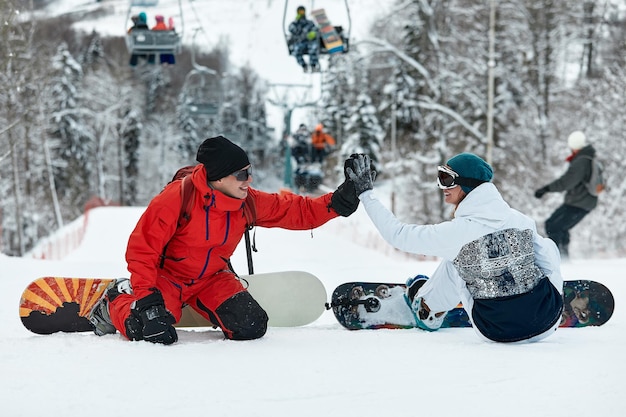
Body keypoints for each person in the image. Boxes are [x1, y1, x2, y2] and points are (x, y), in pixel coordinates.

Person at [88, 136, 359, 345]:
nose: (248, 180)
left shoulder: (247, 201)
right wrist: (147, 298)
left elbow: (294, 211)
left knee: (251, 326)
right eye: (241, 174)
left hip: (212, 279)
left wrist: (338, 202)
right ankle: (115, 302)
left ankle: (172, 306)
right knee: (151, 331)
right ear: (218, 177)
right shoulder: (177, 198)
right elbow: (142, 249)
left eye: (249, 171)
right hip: (168, 278)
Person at [345, 152, 564, 343]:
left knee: (457, 260)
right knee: (546, 246)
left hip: (496, 331)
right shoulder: (520, 220)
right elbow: (547, 260)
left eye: (446, 178)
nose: (441, 186)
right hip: (548, 320)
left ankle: (427, 310)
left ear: (468, 185)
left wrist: (366, 194)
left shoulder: (457, 233)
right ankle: (529, 292)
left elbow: (398, 235)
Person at [534, 131, 598, 259]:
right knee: (560, 227)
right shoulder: (588, 158)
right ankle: (563, 257)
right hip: (583, 201)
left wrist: (546, 189)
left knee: (553, 225)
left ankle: (558, 259)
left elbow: (567, 181)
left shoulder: (582, 161)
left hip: (578, 201)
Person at [288, 5, 320, 72]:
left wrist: (313, 33)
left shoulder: (309, 23)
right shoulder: (295, 23)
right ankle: (304, 66)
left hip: (309, 42)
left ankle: (313, 65)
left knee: (313, 47)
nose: (301, 13)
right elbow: (291, 29)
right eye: (300, 12)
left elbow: (315, 29)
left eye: (302, 11)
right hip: (300, 42)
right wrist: (296, 21)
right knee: (296, 50)